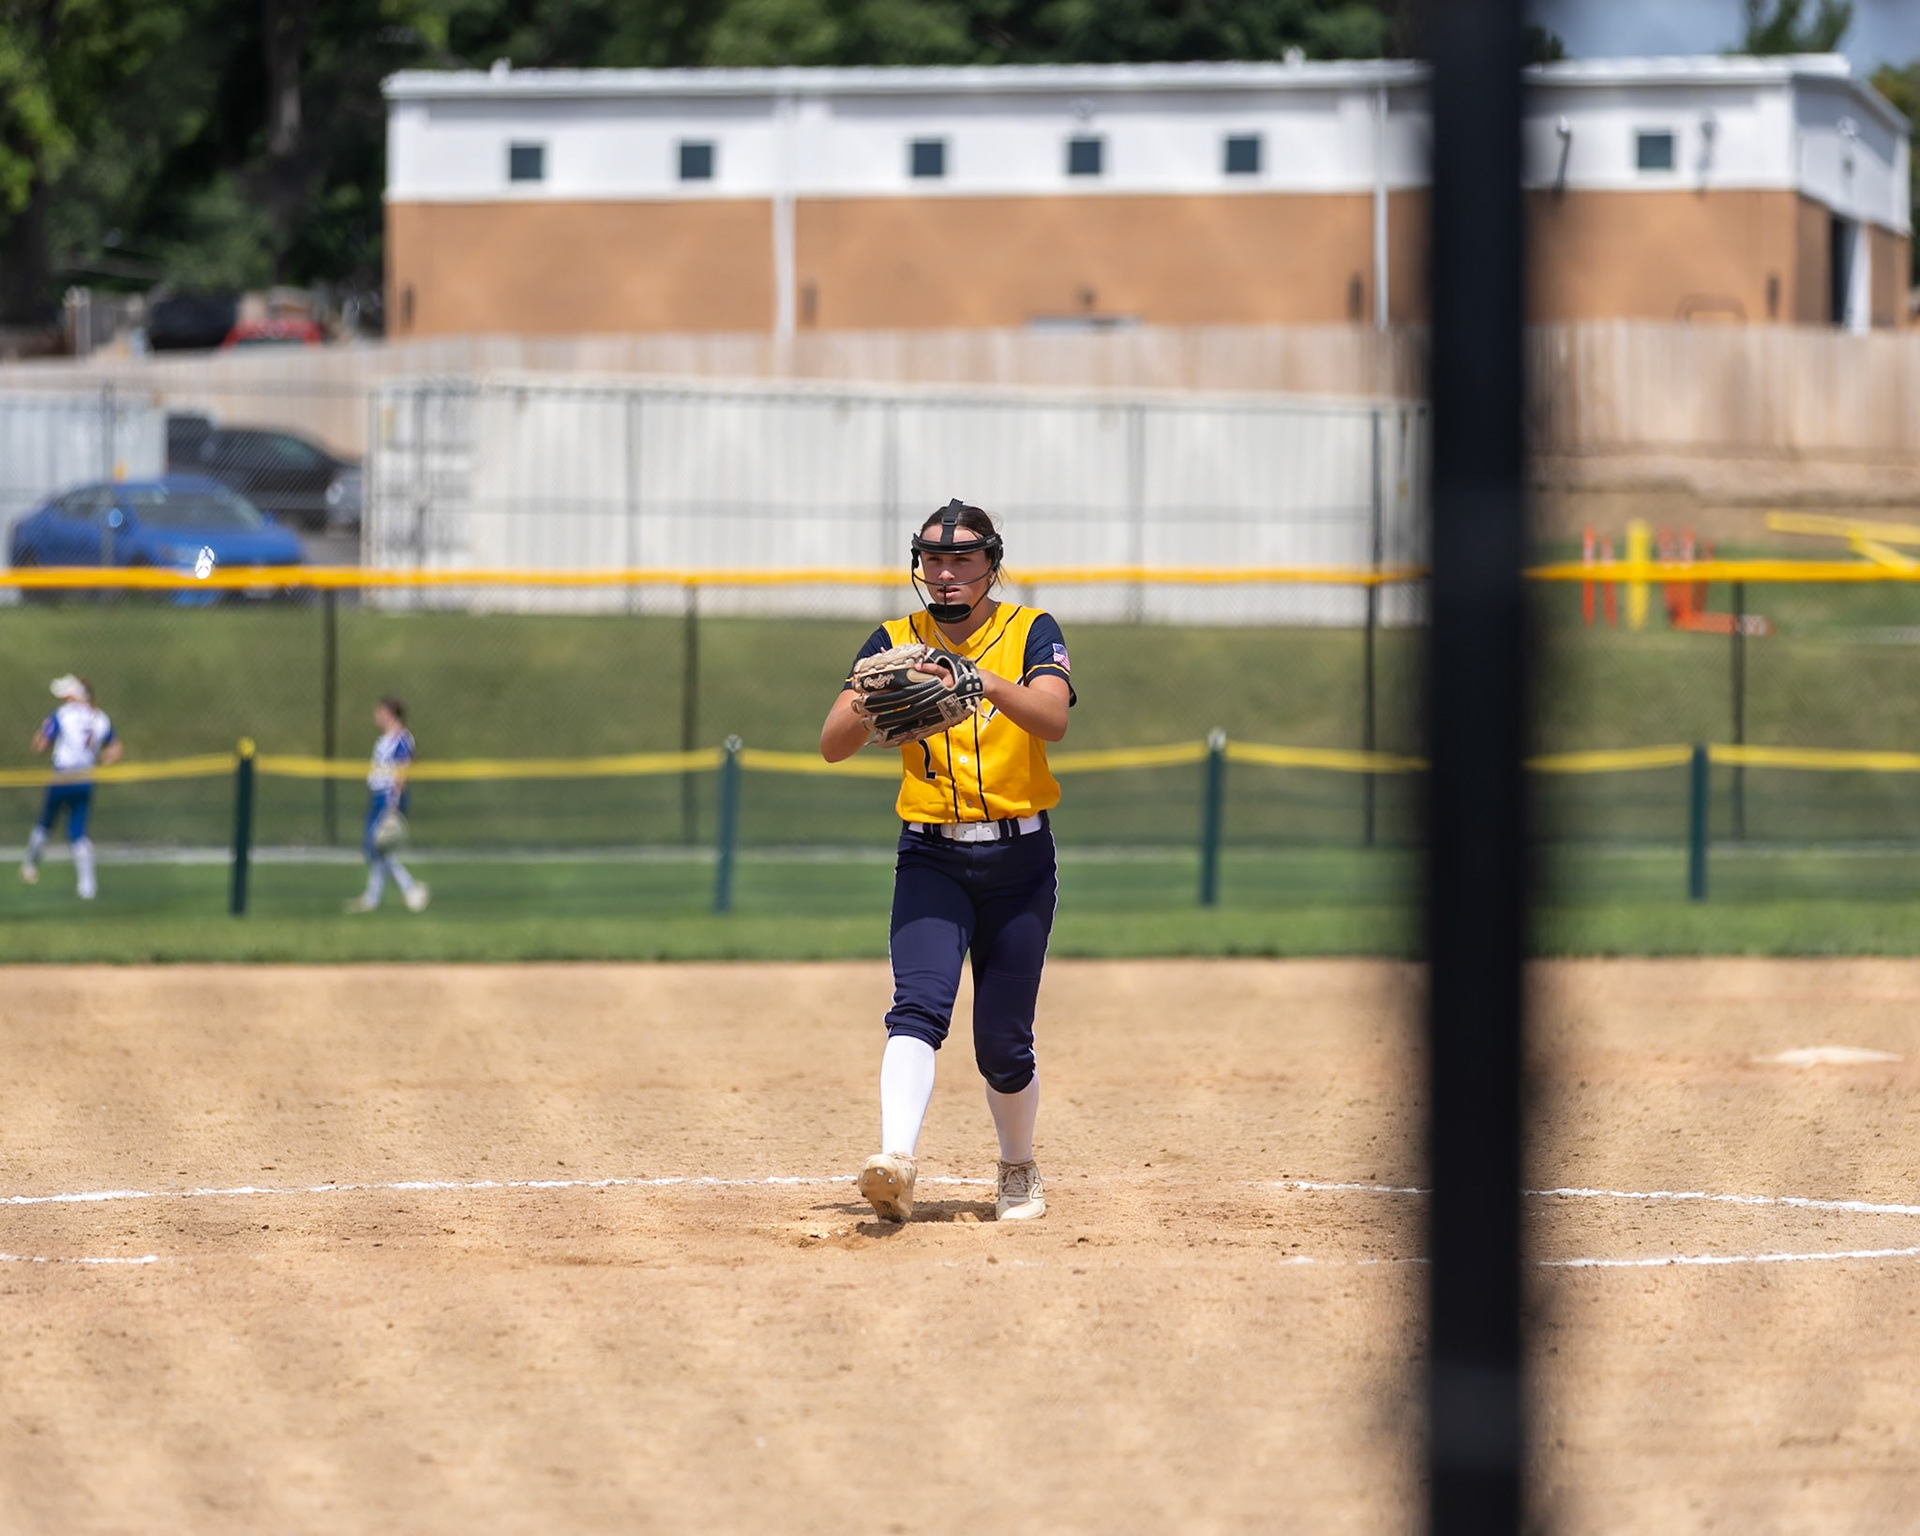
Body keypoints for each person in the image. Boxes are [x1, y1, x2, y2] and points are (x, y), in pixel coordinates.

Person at [820, 501, 1075, 1223]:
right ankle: (895, 1163)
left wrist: (980, 681)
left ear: (992, 564)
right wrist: (873, 695)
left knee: (1003, 1043)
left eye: (963, 558)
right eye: (934, 559)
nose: (946, 573)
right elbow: (833, 744)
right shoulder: (894, 639)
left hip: (1020, 861)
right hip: (931, 855)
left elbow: (1053, 717)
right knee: (918, 1006)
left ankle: (1017, 1167)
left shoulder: (1031, 630)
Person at [20, 674, 121, 900]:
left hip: (62, 777)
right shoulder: (100, 717)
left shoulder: (62, 714)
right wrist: (102, 758)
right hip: (85, 779)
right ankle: (87, 887)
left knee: (46, 823)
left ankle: (30, 865)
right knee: (77, 832)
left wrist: (42, 732)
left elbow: (39, 746)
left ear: (75, 695)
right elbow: (115, 749)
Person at [346, 695, 430, 914]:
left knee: (377, 846)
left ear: (391, 714)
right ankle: (377, 896)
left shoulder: (401, 739)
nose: (376, 716)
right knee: (376, 849)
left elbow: (402, 770)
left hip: (389, 798)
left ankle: (406, 889)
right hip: (377, 795)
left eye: (380, 712)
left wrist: (394, 803)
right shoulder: (383, 739)